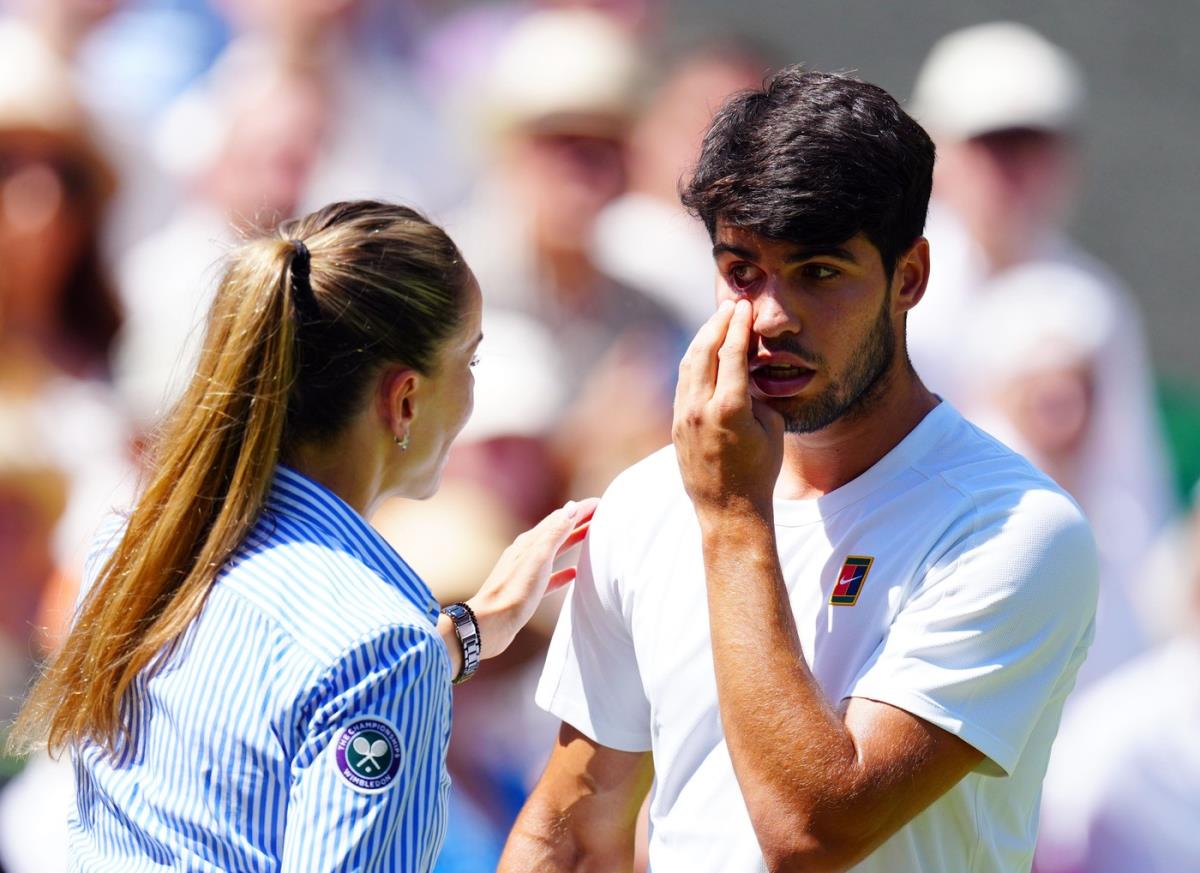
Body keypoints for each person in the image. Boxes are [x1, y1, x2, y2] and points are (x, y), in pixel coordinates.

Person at [500, 69, 1098, 872]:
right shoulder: (648, 501)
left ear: (910, 277)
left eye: (818, 272)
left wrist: (732, 518)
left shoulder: (1014, 529)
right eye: (742, 272)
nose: (771, 316)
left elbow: (813, 834)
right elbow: (573, 832)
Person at [7, 200, 598, 871]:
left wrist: (455, 639)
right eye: (471, 359)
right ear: (404, 399)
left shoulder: (125, 552)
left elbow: (268, 703)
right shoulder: (380, 647)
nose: (471, 390)